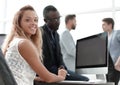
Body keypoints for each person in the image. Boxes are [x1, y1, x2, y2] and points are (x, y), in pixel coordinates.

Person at [2, 5, 67, 85]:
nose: (33, 23)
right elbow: (48, 78)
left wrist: (35, 78)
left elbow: (14, 73)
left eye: (35, 20)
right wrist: (61, 76)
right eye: (27, 20)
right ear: (19, 23)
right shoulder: (24, 43)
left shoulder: (15, 41)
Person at [40, 5, 89, 81]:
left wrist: (62, 66)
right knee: (84, 79)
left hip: (58, 70)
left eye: (59, 18)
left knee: (85, 79)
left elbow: (59, 55)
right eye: (55, 19)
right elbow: (44, 61)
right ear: (46, 21)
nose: (58, 22)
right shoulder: (40, 33)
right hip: (48, 71)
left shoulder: (56, 35)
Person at [102, 17, 120, 85]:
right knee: (108, 82)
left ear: (110, 25)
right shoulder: (106, 37)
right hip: (108, 66)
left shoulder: (117, 33)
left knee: (112, 82)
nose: (102, 27)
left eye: (104, 24)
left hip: (115, 64)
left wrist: (118, 62)